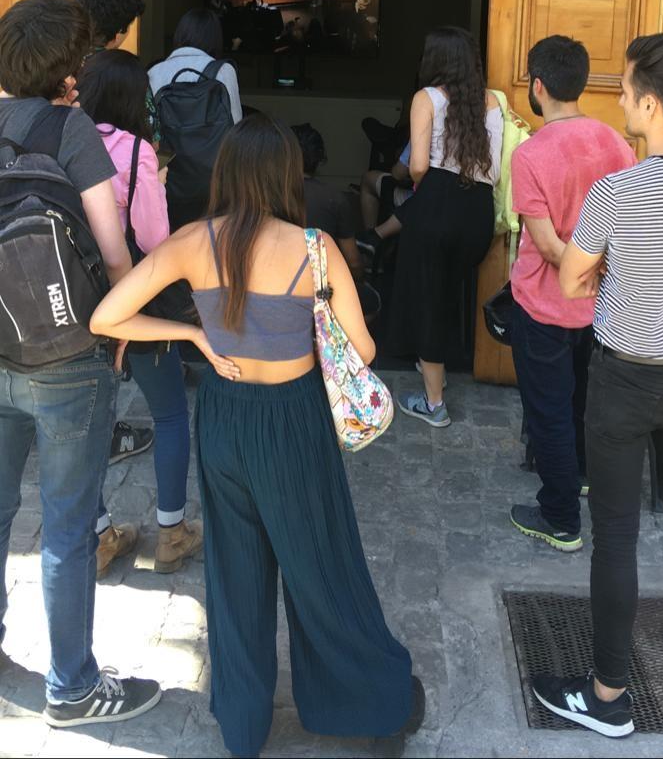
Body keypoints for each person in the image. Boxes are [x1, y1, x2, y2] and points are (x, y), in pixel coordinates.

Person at [90, 114, 424, 758]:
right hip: (293, 418)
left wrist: (192, 335)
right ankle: (366, 707)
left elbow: (109, 317)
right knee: (320, 565)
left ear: (227, 173)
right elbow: (364, 347)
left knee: (235, 575)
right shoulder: (315, 247)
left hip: (223, 416)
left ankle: (244, 726)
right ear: (285, 175)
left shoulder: (193, 241)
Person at [532, 33, 663, 739]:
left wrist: (623, 277)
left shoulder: (620, 191)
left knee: (615, 534)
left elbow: (572, 276)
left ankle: (609, 695)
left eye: (627, 87)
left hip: (622, 379)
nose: (619, 99)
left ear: (648, 100)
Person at [0, 0, 160, 727]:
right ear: (73, 67)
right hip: (68, 358)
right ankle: (72, 688)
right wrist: (125, 328)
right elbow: (117, 251)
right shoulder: (71, 130)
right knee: (66, 530)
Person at [508, 36, 635, 553]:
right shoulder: (618, 145)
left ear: (538, 87)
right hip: (601, 307)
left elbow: (551, 248)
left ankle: (560, 518)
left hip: (545, 306)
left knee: (549, 410)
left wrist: (582, 270)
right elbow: (626, 233)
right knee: (583, 401)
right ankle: (579, 476)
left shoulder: (531, 154)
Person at [78, 49, 202, 577]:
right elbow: (154, 240)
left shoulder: (66, 140)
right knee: (171, 413)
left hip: (74, 300)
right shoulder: (136, 152)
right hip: (133, 298)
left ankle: (102, 534)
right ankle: (170, 533)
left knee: (84, 424)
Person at [390, 27, 503, 427]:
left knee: (427, 299)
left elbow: (418, 165)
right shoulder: (492, 103)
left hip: (438, 200)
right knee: (450, 292)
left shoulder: (428, 99)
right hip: (478, 210)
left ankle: (434, 403)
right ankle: (433, 365)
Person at [76, 0, 158, 463]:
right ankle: (101, 433)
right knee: (106, 340)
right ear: (122, 31)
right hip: (107, 240)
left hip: (52, 233)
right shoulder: (116, 77)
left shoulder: (55, 72)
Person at [291, 123, 364, 281]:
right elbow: (354, 263)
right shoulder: (335, 198)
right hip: (321, 284)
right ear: (319, 157)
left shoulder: (269, 196)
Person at [148, 8, 242, 124]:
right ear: (215, 38)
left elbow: (148, 123)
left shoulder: (155, 72)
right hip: (214, 142)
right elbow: (235, 121)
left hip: (164, 142)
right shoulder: (223, 71)